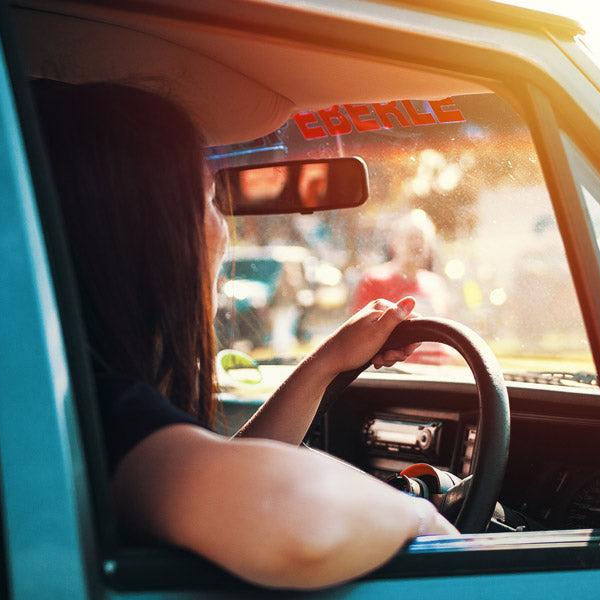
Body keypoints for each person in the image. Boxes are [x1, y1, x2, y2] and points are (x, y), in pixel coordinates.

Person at [33, 80, 456, 591]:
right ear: (150, 234)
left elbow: (218, 481)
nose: (224, 229)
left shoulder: (61, 387)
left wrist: (326, 362)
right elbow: (297, 519)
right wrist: (423, 518)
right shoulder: (103, 406)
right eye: (210, 199)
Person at [350, 209, 453, 364]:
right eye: (411, 237)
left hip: (437, 373)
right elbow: (358, 338)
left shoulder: (436, 283)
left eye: (422, 239)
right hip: (398, 375)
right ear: (394, 242)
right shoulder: (374, 279)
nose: (417, 244)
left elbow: (447, 337)